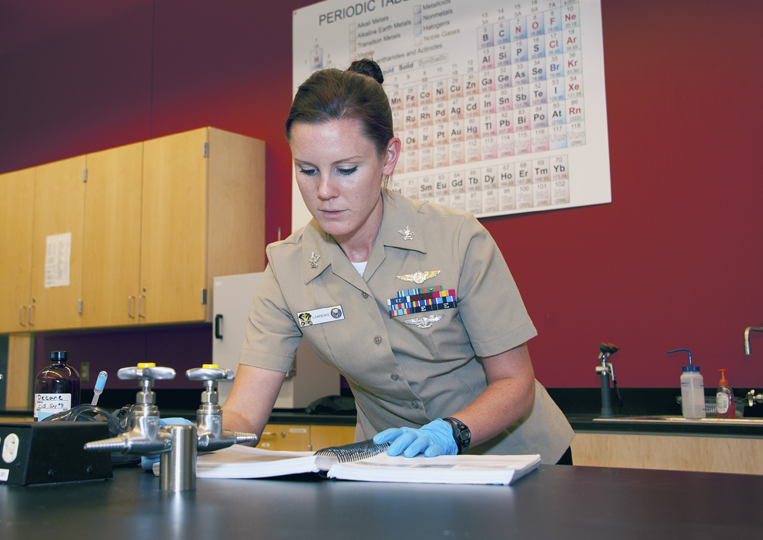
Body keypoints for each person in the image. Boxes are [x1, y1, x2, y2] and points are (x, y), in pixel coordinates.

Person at [220, 59, 574, 464]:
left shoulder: (457, 239)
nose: (324, 191)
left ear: (389, 158)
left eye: (347, 169)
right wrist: (194, 438)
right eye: (307, 170)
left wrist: (451, 432)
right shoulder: (286, 270)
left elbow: (515, 382)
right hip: (395, 466)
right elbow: (245, 412)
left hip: (515, 458)